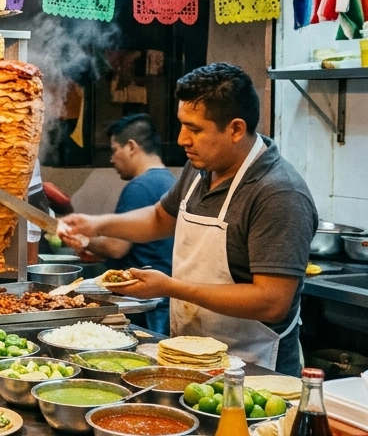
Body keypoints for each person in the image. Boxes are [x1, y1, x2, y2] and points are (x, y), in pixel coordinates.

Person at [59, 64, 317, 374]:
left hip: (253, 368)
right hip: (186, 354)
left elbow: (272, 301)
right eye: (182, 125)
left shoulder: (278, 193)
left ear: (235, 129)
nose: (182, 139)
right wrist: (96, 224)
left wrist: (171, 287)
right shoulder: (200, 169)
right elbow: (159, 219)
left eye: (194, 129)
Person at [68, 115, 176, 336]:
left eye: (114, 149)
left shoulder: (140, 186)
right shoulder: (170, 181)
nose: (111, 159)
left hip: (143, 303)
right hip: (163, 301)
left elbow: (116, 247)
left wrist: (81, 238)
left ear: (131, 147)